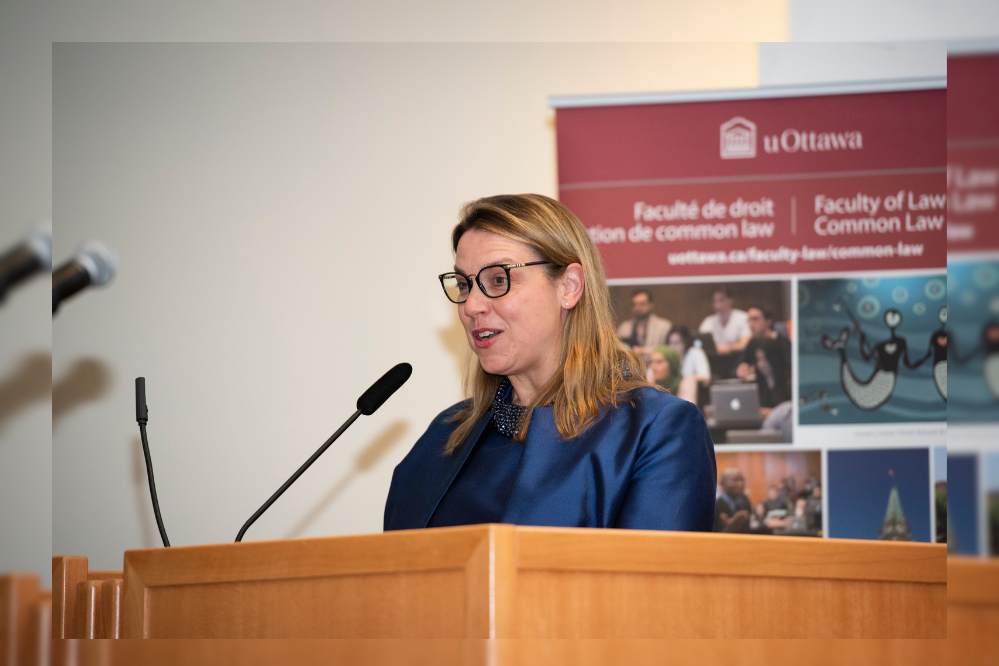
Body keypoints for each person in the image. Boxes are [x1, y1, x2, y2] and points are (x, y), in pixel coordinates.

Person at [384, 194, 717, 532]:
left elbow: (654, 582)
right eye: (463, 284)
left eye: (498, 280)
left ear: (569, 287)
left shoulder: (655, 430)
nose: (471, 305)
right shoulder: (442, 437)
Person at [735, 306, 791, 381]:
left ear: (768, 321)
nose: (751, 323)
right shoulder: (752, 343)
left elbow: (788, 368)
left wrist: (757, 370)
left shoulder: (781, 342)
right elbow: (737, 366)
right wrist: (740, 369)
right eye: (749, 319)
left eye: (755, 319)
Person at [617, 290, 672, 361]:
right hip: (632, 367)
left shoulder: (664, 326)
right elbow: (618, 349)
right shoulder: (624, 327)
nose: (638, 308)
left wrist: (644, 351)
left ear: (651, 305)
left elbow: (669, 349)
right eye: (634, 304)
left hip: (655, 366)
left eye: (642, 304)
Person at [667, 326, 711, 406]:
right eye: (670, 343)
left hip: (691, 395)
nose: (672, 347)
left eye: (676, 343)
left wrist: (685, 379)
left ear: (685, 342)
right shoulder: (669, 357)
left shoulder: (695, 352)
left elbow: (705, 377)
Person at [699, 288, 751, 355]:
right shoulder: (708, 321)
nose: (717, 305)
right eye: (714, 301)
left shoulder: (743, 318)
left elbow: (745, 344)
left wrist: (727, 348)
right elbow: (700, 345)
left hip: (737, 358)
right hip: (714, 359)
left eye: (721, 300)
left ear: (730, 300)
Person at [714, 468, 752, 533]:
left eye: (742, 480)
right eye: (735, 480)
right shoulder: (715, 506)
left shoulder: (744, 503)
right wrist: (731, 527)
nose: (741, 484)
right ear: (723, 483)